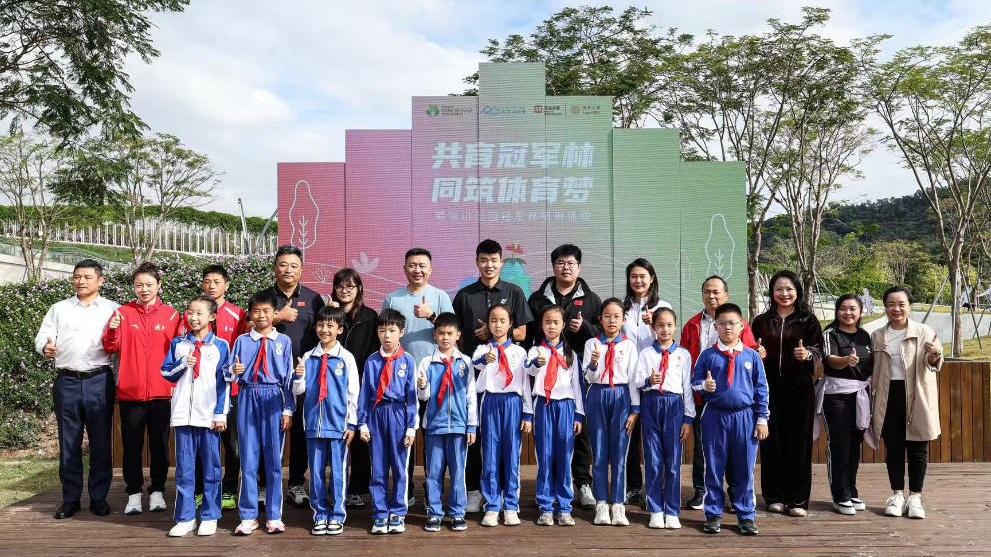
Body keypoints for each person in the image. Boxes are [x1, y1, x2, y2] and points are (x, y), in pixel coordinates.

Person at [452, 239, 532, 513]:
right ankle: (475, 491)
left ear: (501, 262)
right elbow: (455, 332)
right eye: (484, 260)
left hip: (504, 382)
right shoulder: (465, 295)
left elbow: (522, 333)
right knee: (474, 436)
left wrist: (495, 332)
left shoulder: (514, 291)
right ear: (477, 262)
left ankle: (505, 495)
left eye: (494, 260)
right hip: (473, 377)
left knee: (505, 443)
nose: (489, 265)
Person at [35, 259, 119, 519]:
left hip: (100, 381)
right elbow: (42, 336)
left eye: (87, 277)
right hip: (67, 382)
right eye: (76, 276)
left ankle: (98, 497)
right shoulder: (59, 309)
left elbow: (120, 346)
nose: (80, 281)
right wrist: (45, 347)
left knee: (101, 442)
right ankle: (70, 499)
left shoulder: (113, 309)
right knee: (68, 442)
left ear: (100, 281)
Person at [101, 261, 181, 516]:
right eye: (139, 285)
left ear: (159, 285)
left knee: (159, 444)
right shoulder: (123, 313)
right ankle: (134, 493)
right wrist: (112, 330)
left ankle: (157, 490)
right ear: (133, 287)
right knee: (132, 446)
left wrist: (173, 383)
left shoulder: (171, 315)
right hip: (131, 392)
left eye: (149, 284)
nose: (144, 289)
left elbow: (179, 351)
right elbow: (110, 347)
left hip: (162, 392)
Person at [527, 244, 601, 509]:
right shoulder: (538, 299)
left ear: (579, 267)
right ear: (553, 266)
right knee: (548, 441)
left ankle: (582, 482)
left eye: (571, 263)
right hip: (546, 375)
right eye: (560, 263)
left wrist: (585, 327)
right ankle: (551, 487)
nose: (565, 268)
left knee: (580, 431)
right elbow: (529, 334)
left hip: (578, 373)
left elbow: (602, 334)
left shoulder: (591, 299)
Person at [679, 275, 760, 509]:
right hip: (702, 396)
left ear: (726, 295)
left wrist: (759, 352)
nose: (711, 296)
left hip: (734, 398)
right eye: (707, 291)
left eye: (716, 292)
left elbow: (750, 353)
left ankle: (736, 494)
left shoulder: (739, 323)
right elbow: (684, 359)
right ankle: (702, 492)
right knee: (703, 449)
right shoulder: (692, 324)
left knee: (735, 451)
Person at [382, 247, 454, 506]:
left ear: (430, 269)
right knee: (405, 437)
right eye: (412, 265)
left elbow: (451, 330)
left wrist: (431, 315)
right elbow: (384, 333)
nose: (417, 270)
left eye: (422, 265)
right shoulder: (393, 298)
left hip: (436, 378)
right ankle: (407, 488)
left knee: (434, 437)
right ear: (404, 268)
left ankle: (433, 491)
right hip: (401, 379)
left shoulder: (440, 296)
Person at [692, 303, 769, 536]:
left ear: (741, 326)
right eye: (723, 323)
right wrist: (704, 386)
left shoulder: (751, 356)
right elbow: (694, 382)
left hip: (745, 417)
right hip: (715, 416)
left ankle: (745, 515)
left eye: (732, 323)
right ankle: (713, 513)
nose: (727, 328)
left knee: (744, 468)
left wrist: (762, 419)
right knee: (714, 467)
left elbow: (761, 389)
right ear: (716, 326)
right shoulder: (708, 355)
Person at [750, 270, 822, 517]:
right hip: (769, 388)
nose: (784, 293)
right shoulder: (761, 321)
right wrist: (756, 353)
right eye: (779, 289)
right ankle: (774, 496)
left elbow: (819, 351)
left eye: (789, 289)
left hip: (799, 389)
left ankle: (798, 500)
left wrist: (808, 354)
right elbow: (749, 348)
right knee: (771, 442)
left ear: (797, 291)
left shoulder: (808, 320)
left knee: (799, 444)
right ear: (772, 292)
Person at [260, 244, 326, 507]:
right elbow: (249, 326)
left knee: (300, 432)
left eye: (294, 266)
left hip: (302, 377)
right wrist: (277, 317)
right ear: (275, 267)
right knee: (268, 432)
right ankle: (264, 485)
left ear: (301, 269)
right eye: (283, 264)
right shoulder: (263, 297)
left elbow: (325, 331)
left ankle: (297, 483)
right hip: (268, 378)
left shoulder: (314, 298)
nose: (288, 270)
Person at [160, 296, 232, 537]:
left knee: (211, 468)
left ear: (212, 317)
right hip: (183, 416)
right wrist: (183, 363)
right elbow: (166, 372)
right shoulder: (178, 344)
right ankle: (186, 517)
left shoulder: (221, 345)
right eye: (190, 312)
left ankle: (210, 516)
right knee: (184, 470)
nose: (193, 317)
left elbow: (224, 382)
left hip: (209, 417)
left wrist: (221, 414)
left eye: (199, 313)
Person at [228, 290, 295, 536]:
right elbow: (229, 372)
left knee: (274, 460)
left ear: (275, 314)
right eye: (256, 311)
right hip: (248, 395)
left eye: (266, 311)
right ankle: (248, 516)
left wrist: (288, 409)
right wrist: (234, 371)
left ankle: (274, 515)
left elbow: (288, 378)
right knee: (248, 458)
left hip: (274, 397)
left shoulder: (283, 342)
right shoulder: (242, 341)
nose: (261, 315)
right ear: (250, 314)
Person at [872, 286, 943, 520]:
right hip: (888, 395)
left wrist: (934, 354)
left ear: (910, 307)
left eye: (901, 304)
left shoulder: (924, 331)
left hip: (917, 394)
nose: (896, 309)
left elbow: (932, 361)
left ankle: (915, 497)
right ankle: (897, 495)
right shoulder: (878, 335)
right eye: (891, 304)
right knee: (893, 448)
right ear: (885, 308)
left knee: (918, 448)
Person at [181, 264, 248, 511]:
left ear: (226, 285)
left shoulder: (237, 314)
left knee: (232, 445)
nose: (211, 286)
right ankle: (200, 490)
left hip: (230, 391)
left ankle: (229, 489)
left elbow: (242, 348)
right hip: (200, 390)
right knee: (201, 445)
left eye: (217, 281)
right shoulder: (192, 313)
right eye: (207, 281)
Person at [293, 305, 359, 536]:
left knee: (339, 473)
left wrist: (352, 423)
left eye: (330, 325)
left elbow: (353, 393)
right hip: (313, 425)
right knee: (316, 473)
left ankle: (338, 515)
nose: (324, 329)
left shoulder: (346, 358)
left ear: (340, 329)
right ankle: (320, 514)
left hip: (339, 426)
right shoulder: (308, 357)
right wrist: (298, 376)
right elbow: (298, 390)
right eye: (321, 325)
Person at [357, 309, 419, 535]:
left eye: (392, 330)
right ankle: (380, 513)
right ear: (377, 332)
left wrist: (411, 427)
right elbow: (364, 394)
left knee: (400, 467)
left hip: (399, 414)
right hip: (377, 414)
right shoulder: (372, 361)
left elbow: (412, 397)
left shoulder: (408, 360)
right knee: (378, 467)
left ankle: (398, 513)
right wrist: (362, 423)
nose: (387, 335)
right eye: (382, 331)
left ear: (401, 332)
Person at [415, 312, 476, 533]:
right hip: (434, 426)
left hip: (459, 426)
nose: (445, 338)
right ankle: (434, 513)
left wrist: (471, 425)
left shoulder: (465, 362)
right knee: (433, 472)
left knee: (458, 472)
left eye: (450, 333)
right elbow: (423, 397)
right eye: (441, 333)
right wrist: (423, 385)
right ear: (435, 335)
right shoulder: (426, 362)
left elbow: (470, 395)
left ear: (458, 335)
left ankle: (457, 513)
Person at [472, 304, 532, 527]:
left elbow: (525, 385)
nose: (498, 325)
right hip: (490, 402)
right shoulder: (482, 349)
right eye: (493, 320)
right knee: (490, 454)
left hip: (513, 403)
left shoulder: (520, 352)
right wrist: (485, 359)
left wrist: (527, 413)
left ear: (510, 324)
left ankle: (511, 505)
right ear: (488, 324)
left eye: (502, 321)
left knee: (512, 455)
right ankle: (491, 505)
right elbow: (476, 364)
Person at [635, 307, 693, 529]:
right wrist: (649, 381)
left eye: (669, 325)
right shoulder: (646, 353)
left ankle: (672, 510)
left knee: (673, 461)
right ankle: (655, 509)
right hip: (651, 403)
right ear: (653, 327)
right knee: (653, 459)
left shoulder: (683, 354)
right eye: (660, 325)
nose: (665, 329)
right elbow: (638, 381)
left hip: (674, 405)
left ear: (675, 326)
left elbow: (687, 388)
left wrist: (688, 419)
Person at [525, 305, 584, 527]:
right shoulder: (535, 351)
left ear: (563, 325)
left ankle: (565, 506)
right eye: (547, 322)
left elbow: (577, 386)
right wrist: (536, 364)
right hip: (543, 405)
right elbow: (529, 370)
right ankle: (545, 506)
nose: (551, 326)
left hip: (566, 407)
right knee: (545, 457)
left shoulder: (570, 354)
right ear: (541, 325)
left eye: (556, 322)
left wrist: (578, 414)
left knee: (564, 457)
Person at [583, 298, 639, 527]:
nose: (612, 320)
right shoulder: (592, 344)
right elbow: (589, 377)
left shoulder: (629, 346)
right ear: (600, 319)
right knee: (599, 451)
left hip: (622, 396)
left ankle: (618, 504)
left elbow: (634, 379)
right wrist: (594, 363)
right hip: (597, 394)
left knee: (619, 453)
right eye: (607, 316)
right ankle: (601, 503)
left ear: (624, 319)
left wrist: (634, 410)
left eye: (617, 316)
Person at [816, 294, 874, 516]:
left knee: (854, 445)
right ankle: (839, 495)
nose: (847, 313)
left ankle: (851, 490)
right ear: (837, 311)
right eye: (843, 308)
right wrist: (846, 361)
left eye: (852, 309)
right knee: (839, 445)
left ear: (860, 312)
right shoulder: (830, 333)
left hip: (861, 395)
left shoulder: (865, 335)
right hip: (836, 395)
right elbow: (830, 360)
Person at [620, 258, 671, 505]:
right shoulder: (623, 308)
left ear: (652, 279)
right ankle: (633, 487)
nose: (638, 281)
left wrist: (653, 327)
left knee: (654, 437)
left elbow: (667, 340)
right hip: (627, 379)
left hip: (655, 381)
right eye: (633, 276)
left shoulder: (663, 306)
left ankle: (656, 487)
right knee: (630, 436)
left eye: (642, 276)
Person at [331, 268, 380, 508]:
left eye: (350, 286)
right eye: (340, 286)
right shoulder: (329, 314)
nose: (345, 290)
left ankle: (359, 488)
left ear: (359, 288)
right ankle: (336, 487)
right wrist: (331, 314)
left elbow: (374, 352)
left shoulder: (370, 317)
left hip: (360, 385)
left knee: (360, 438)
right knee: (335, 437)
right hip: (332, 385)